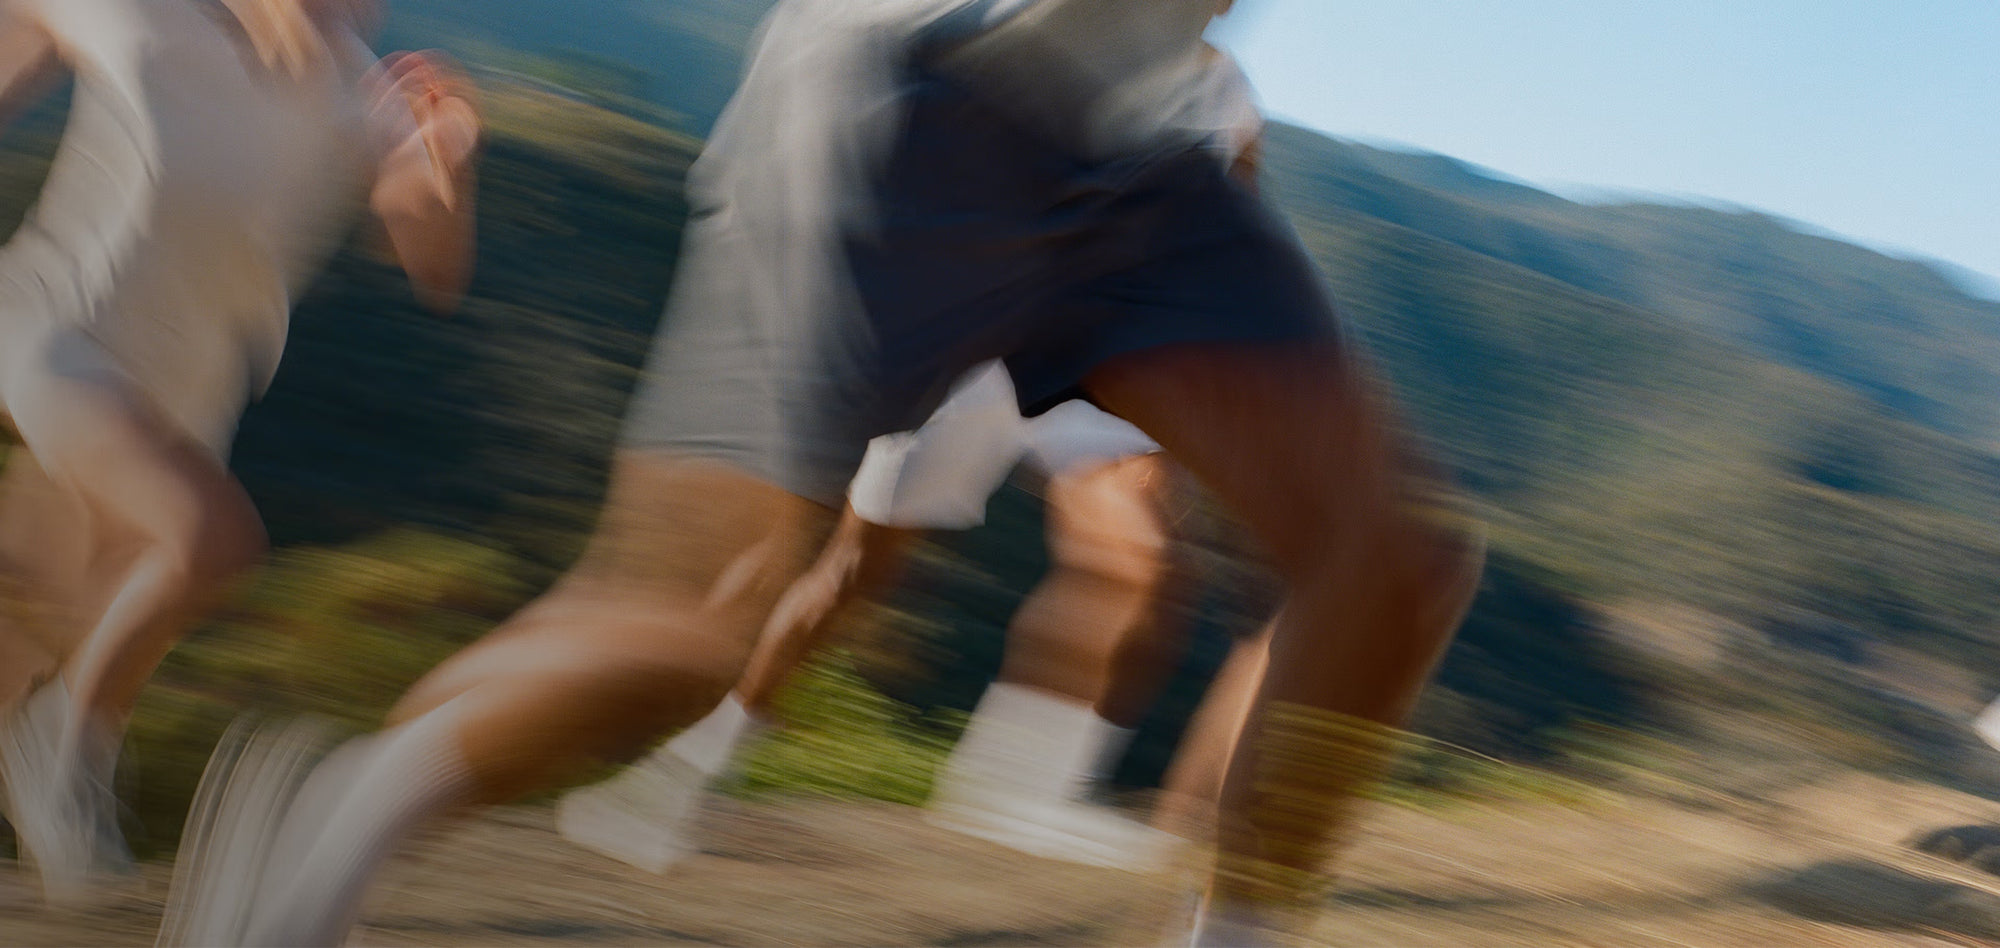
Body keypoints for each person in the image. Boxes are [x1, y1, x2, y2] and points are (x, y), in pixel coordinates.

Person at [162, 1, 1484, 945]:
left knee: (1388, 564)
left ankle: (1237, 932)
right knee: (699, 615)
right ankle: (347, 810)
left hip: (1149, 137)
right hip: (912, 86)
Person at [554, 38, 1273, 875]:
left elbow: (1231, 243)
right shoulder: (1047, 33)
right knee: (852, 576)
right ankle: (679, 771)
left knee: (1144, 563)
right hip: (968, 347)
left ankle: (1019, 786)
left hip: (1092, 362)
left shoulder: (1228, 97)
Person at [0, 0, 481, 905]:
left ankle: (43, 739)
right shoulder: (147, 19)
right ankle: (66, 742)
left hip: (184, 406)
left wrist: (446, 157)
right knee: (211, 542)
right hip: (54, 337)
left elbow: (431, 263)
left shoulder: (354, 94)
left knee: (26, 634)